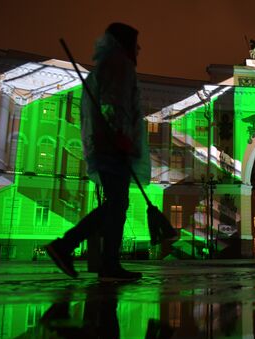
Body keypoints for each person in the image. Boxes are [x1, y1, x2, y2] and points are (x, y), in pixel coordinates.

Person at [46, 22, 151, 281]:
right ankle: (68, 247)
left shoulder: (108, 63)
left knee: (117, 204)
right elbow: (115, 104)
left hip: (106, 144)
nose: (138, 48)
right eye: (134, 43)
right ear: (124, 43)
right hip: (114, 145)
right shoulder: (119, 64)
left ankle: (107, 264)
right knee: (116, 204)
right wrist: (122, 137)